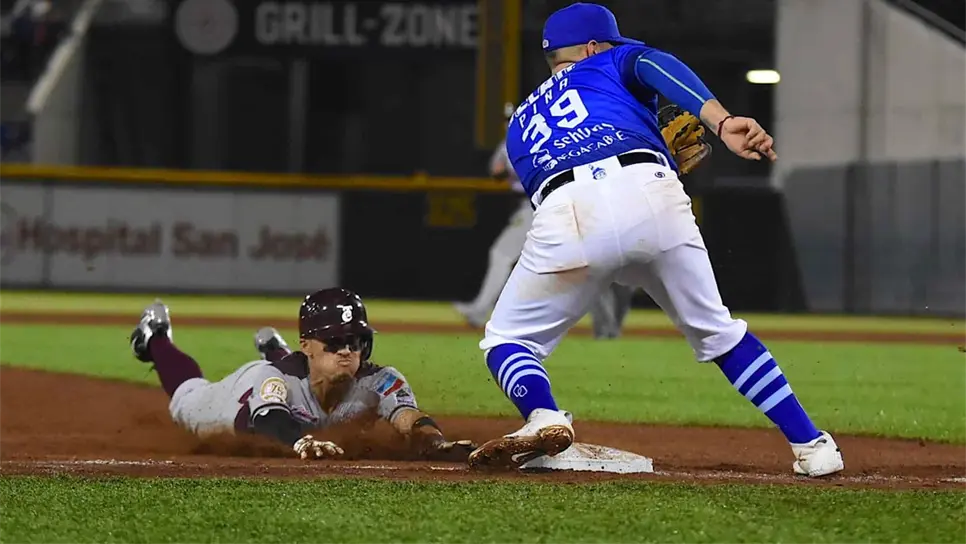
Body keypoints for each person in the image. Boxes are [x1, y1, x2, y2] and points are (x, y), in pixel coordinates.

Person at [466, 3, 844, 478]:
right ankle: (811, 445)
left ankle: (543, 416)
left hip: (566, 212)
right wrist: (721, 122)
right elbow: (652, 63)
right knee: (718, 333)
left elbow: (550, 183)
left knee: (507, 339)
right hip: (650, 192)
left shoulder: (521, 120)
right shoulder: (612, 60)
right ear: (592, 47)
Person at [129, 287, 475, 461]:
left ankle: (273, 345)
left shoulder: (378, 380)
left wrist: (436, 442)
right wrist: (302, 442)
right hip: (238, 400)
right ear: (308, 343)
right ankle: (155, 337)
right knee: (189, 395)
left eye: (357, 341)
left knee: (314, 374)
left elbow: (410, 417)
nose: (347, 350)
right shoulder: (270, 378)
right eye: (335, 341)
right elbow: (270, 420)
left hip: (298, 376)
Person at [454, 102, 534, 328]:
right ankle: (510, 315)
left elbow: (503, 169)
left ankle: (481, 310)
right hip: (527, 206)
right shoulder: (511, 140)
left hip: (534, 206)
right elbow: (495, 171)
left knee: (501, 254)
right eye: (506, 119)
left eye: (512, 118)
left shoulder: (523, 138)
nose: (509, 122)